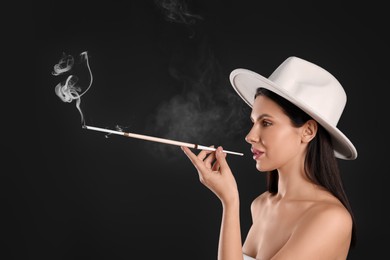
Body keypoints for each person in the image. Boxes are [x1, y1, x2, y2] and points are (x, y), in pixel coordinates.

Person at [181, 56, 357, 260]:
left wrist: (230, 201)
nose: (250, 137)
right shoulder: (261, 205)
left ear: (307, 131)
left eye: (266, 123)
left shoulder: (330, 218)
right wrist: (228, 201)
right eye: (253, 122)